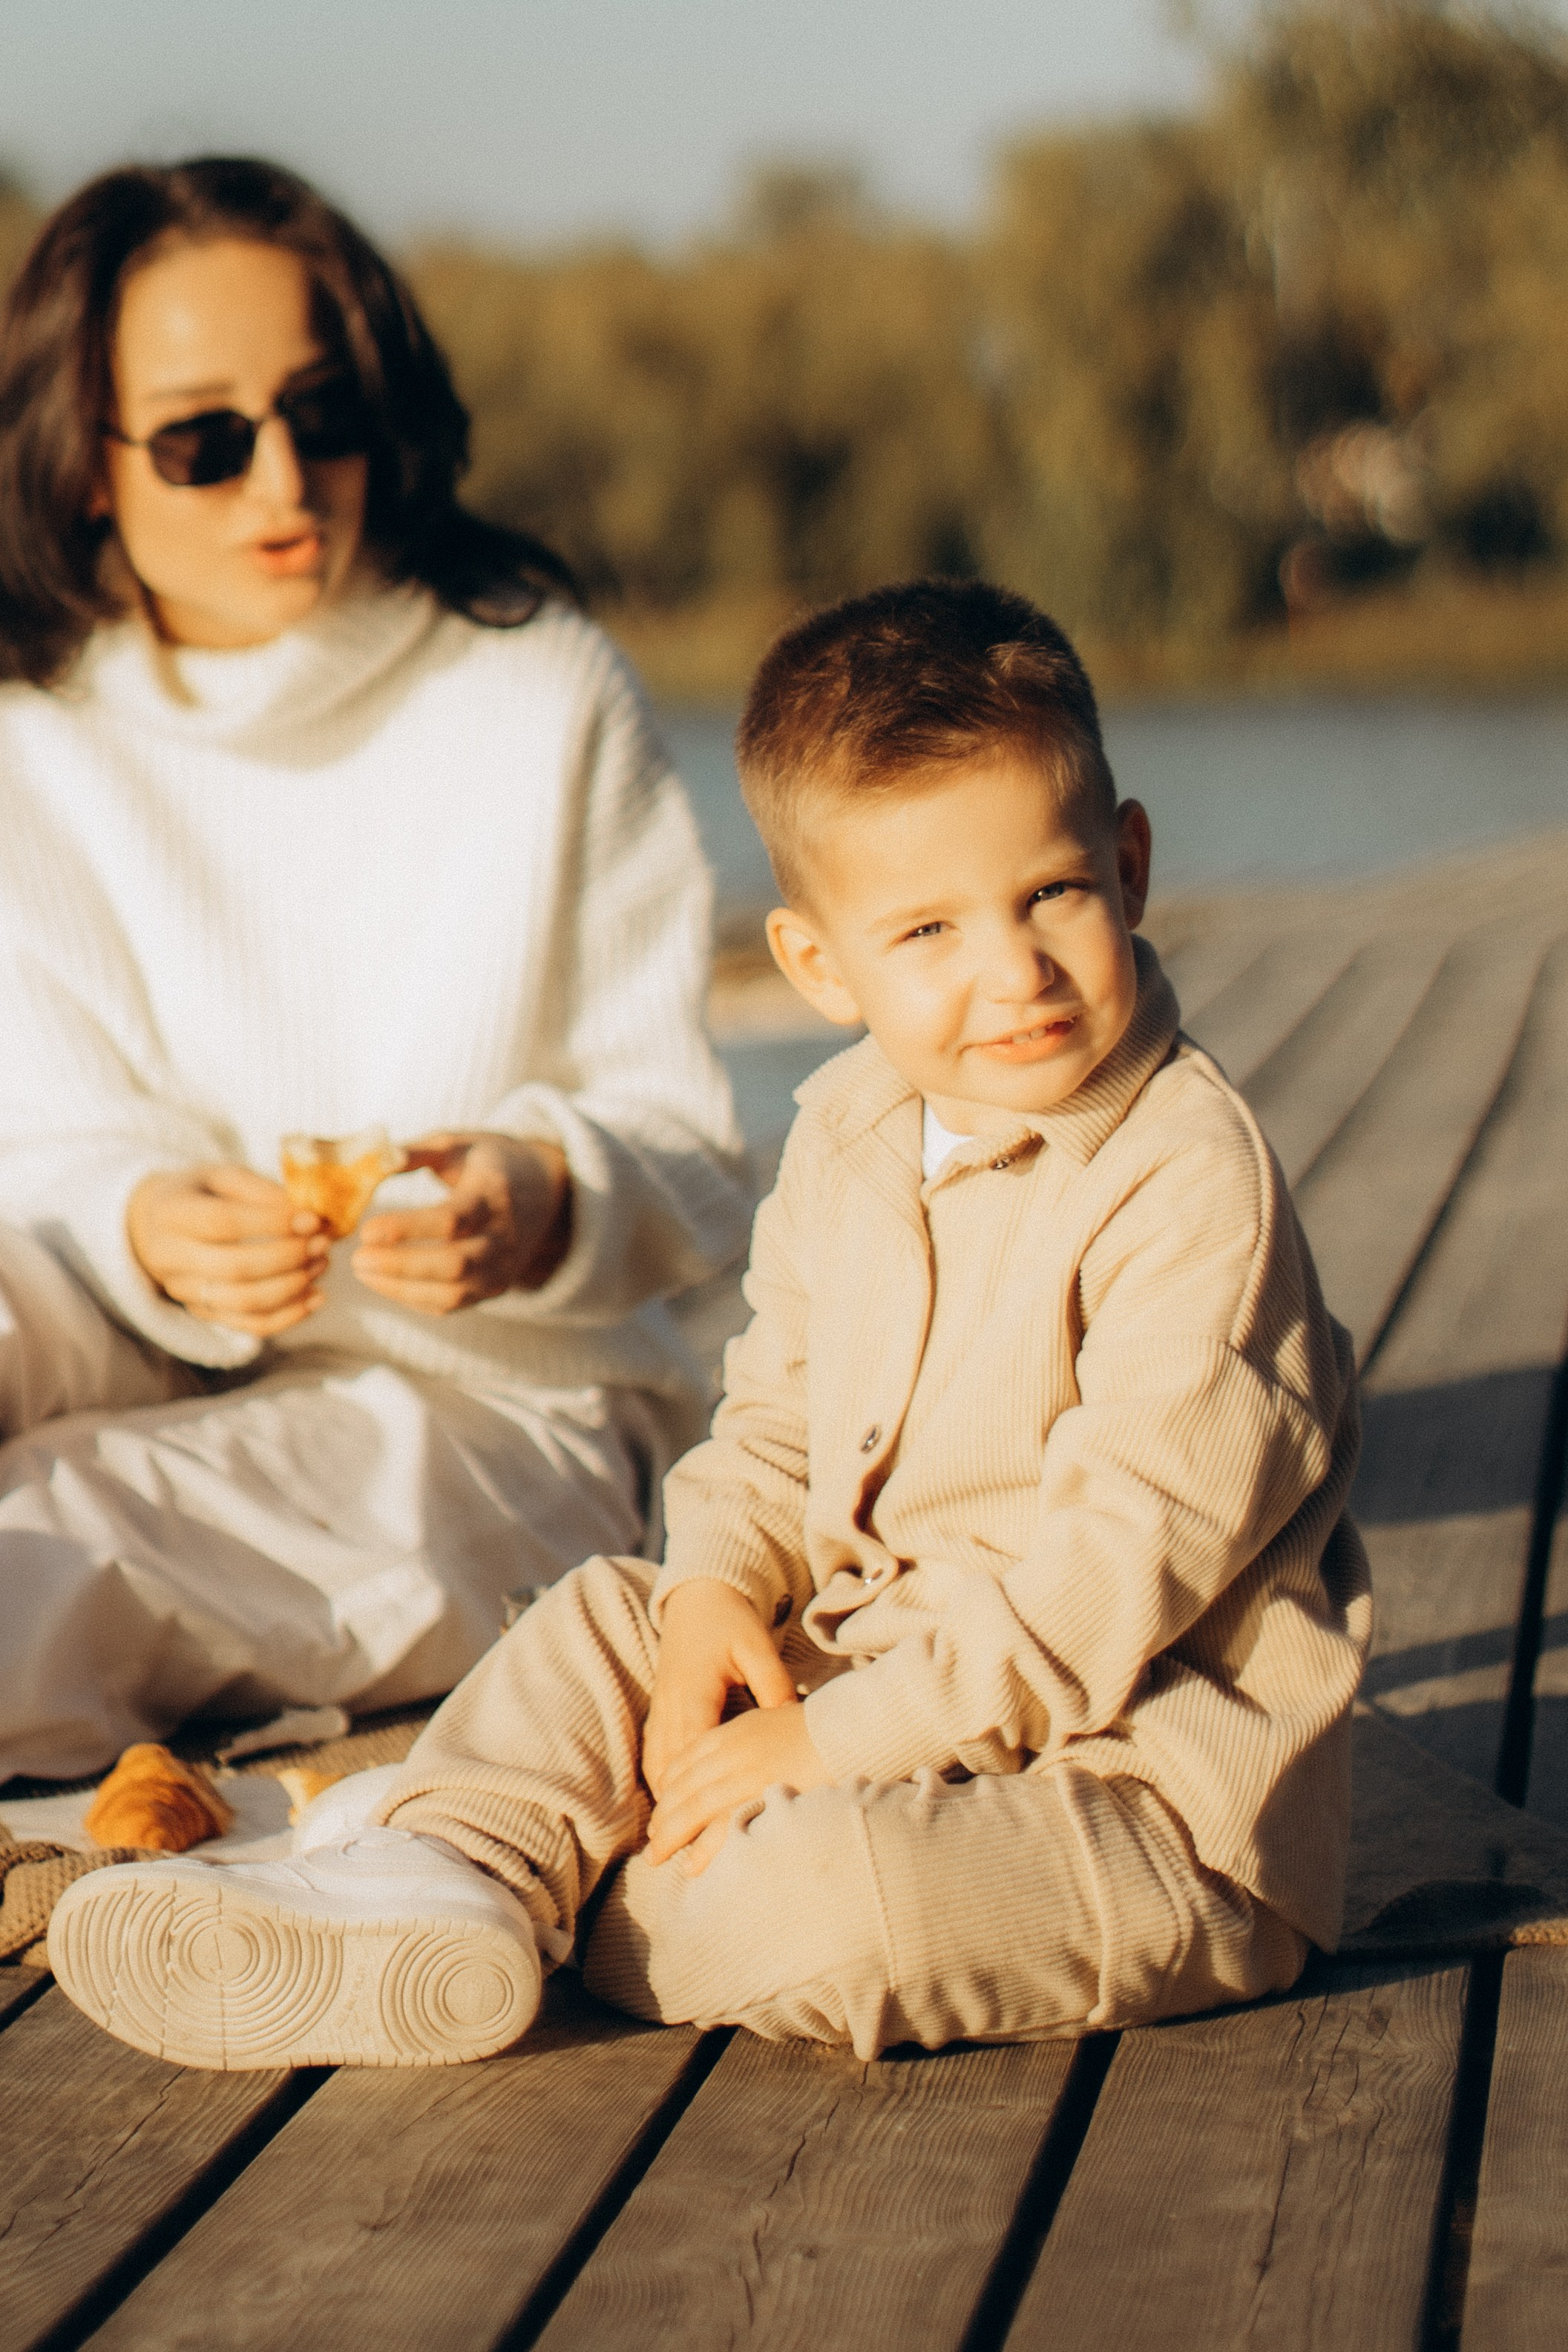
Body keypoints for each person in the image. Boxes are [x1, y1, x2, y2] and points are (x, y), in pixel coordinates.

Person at [49, 580, 1372, 2068]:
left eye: (1049, 892)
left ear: (1125, 865)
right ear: (819, 965)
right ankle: (456, 1867)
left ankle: (492, 1875)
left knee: (838, 1898)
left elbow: (1091, 1601)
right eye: (927, 929)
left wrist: (816, 1746)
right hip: (870, 1677)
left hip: (1138, 1790)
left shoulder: (1193, 1190)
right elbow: (771, 1424)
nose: (1012, 972)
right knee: (610, 1613)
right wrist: (717, 1597)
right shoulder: (854, 1129)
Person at [0, 159, 751, 1785]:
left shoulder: (531, 688)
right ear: (86, 472)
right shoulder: (31, 732)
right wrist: (144, 1225)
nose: (283, 477)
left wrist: (545, 1194)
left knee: (47, 1546)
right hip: (127, 1335)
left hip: (508, 1410)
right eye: (205, 440)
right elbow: (37, 1153)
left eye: (323, 413)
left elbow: (691, 1151)